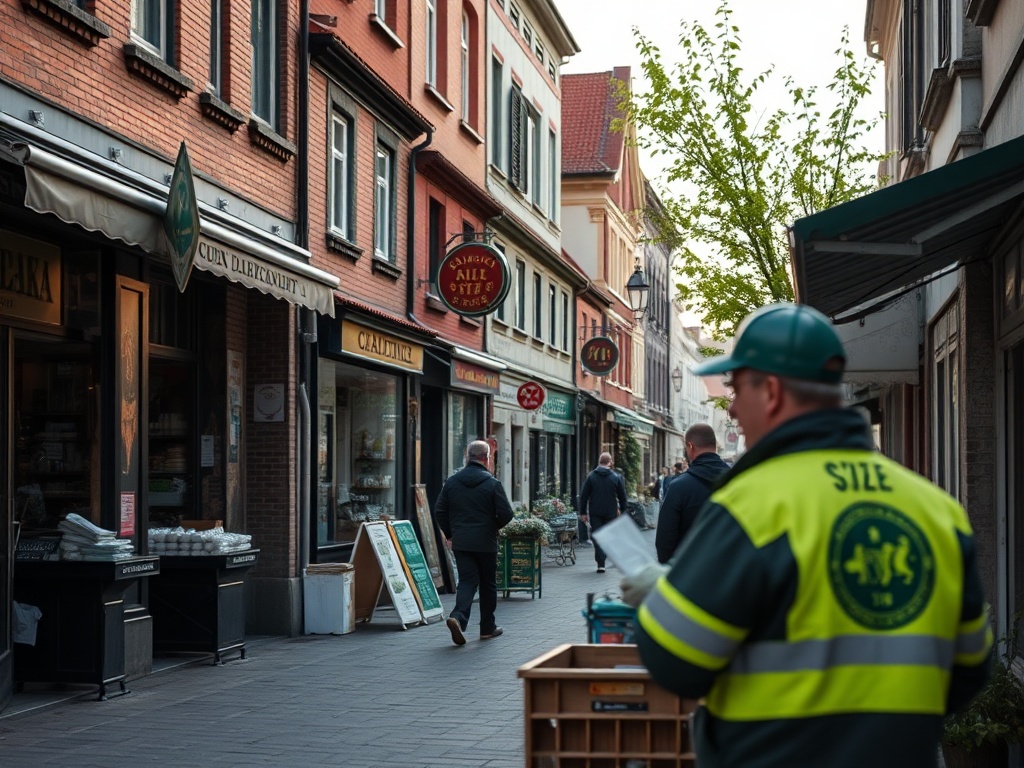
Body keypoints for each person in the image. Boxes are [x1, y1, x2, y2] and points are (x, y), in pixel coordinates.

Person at [621, 303, 992, 767]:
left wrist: (664, 597)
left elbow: (675, 662)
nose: (732, 408)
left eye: (737, 388)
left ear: (772, 391)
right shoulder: (936, 511)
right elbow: (969, 670)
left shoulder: (752, 507)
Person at [435, 440, 514, 646]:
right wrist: (492, 526)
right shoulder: (492, 483)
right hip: (486, 542)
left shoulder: (452, 482)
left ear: (467, 456)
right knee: (488, 584)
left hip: (462, 542)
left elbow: (440, 511)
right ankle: (487, 628)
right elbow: (507, 513)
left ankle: (458, 617)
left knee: (467, 581)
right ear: (487, 458)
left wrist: (451, 533)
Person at [654, 423, 729, 564]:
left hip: (688, 570)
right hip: (730, 570)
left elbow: (665, 540)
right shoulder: (737, 480)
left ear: (690, 445)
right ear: (715, 446)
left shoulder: (679, 486)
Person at [577, 452, 627, 573]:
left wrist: (583, 513)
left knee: (597, 536)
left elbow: (584, 496)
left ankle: (601, 563)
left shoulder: (591, 477)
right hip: (611, 512)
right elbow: (622, 496)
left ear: (599, 462)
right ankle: (606, 556)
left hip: (595, 512)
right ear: (610, 462)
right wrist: (623, 511)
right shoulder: (616, 477)